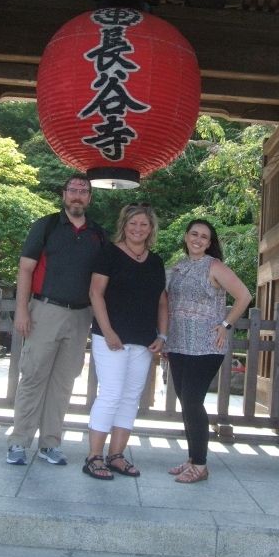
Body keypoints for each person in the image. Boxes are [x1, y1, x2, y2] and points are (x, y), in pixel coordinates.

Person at [6, 174, 106, 467]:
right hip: (45, 310)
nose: (78, 195)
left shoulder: (97, 234)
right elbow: (25, 269)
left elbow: (102, 281)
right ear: (64, 194)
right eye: (73, 190)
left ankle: (50, 443)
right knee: (33, 376)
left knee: (64, 382)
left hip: (80, 315)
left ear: (90, 198)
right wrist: (22, 310)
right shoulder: (47, 226)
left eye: (83, 191)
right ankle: (19, 442)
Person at [83, 204, 168, 480]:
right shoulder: (108, 252)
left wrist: (162, 335)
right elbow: (96, 293)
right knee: (110, 394)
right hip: (111, 337)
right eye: (133, 224)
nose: (138, 229)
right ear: (124, 225)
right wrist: (107, 331)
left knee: (131, 398)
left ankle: (116, 455)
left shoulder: (155, 261)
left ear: (151, 228)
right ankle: (94, 456)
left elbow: (162, 301)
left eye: (144, 224)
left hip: (143, 340)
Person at [165, 219, 252, 484]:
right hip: (179, 342)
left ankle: (201, 465)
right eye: (194, 234)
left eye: (204, 236)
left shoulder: (215, 266)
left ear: (210, 241)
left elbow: (244, 296)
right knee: (185, 402)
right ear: (186, 236)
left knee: (192, 400)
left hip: (206, 345)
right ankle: (192, 459)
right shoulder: (177, 267)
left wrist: (226, 324)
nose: (199, 239)